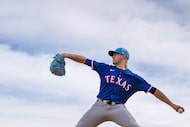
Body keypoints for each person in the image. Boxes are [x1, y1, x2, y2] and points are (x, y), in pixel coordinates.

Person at [60, 47, 185, 127]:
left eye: (115, 54)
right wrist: (65, 55)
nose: (113, 56)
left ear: (124, 57)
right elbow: (85, 60)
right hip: (98, 106)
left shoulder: (135, 78)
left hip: (118, 109)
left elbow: (154, 91)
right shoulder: (105, 68)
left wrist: (173, 105)